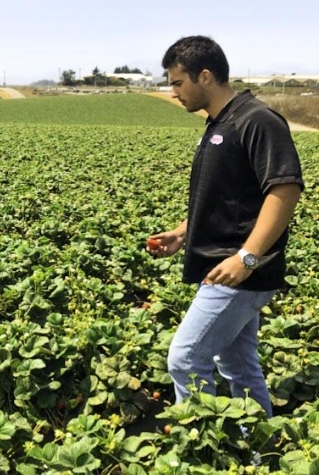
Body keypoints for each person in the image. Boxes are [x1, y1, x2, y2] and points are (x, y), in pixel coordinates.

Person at [147, 35, 304, 417]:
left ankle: (200, 448)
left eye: (177, 83)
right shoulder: (221, 123)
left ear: (204, 77)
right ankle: (255, 449)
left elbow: (284, 190)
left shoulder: (256, 120)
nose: (172, 93)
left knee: (185, 359)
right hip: (223, 267)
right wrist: (182, 233)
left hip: (238, 274)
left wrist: (247, 258)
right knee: (237, 364)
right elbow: (229, 196)